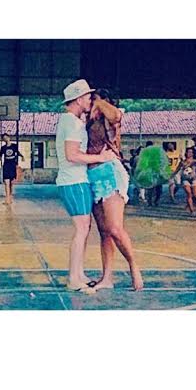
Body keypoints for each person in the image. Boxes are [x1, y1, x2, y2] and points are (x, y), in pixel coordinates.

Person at [55, 79, 116, 292]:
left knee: (84, 228)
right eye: (88, 97)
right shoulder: (72, 123)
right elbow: (72, 155)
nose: (91, 100)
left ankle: (78, 273)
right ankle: (73, 278)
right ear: (79, 99)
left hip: (75, 180)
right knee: (81, 229)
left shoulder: (71, 121)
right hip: (74, 181)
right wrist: (101, 157)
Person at [86, 89, 143, 292]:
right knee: (104, 231)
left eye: (93, 99)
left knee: (114, 228)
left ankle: (133, 265)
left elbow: (117, 115)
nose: (91, 103)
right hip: (92, 175)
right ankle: (107, 277)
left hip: (109, 173)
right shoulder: (88, 120)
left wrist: (99, 103)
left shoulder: (109, 117)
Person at [0, 133, 24, 205]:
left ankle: (10, 197)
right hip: (6, 165)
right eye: (4, 139)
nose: (5, 139)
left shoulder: (14, 146)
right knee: (6, 182)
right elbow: (0, 157)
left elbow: (18, 153)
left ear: (9, 138)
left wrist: (22, 156)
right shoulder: (3, 148)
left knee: (11, 183)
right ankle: (7, 199)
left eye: (6, 138)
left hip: (12, 165)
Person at [175, 146, 196, 214]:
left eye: (191, 152)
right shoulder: (182, 162)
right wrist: (171, 176)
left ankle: (192, 205)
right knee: (189, 194)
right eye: (188, 152)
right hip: (185, 179)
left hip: (193, 179)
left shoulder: (194, 161)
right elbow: (178, 169)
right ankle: (192, 210)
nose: (190, 154)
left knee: (195, 195)